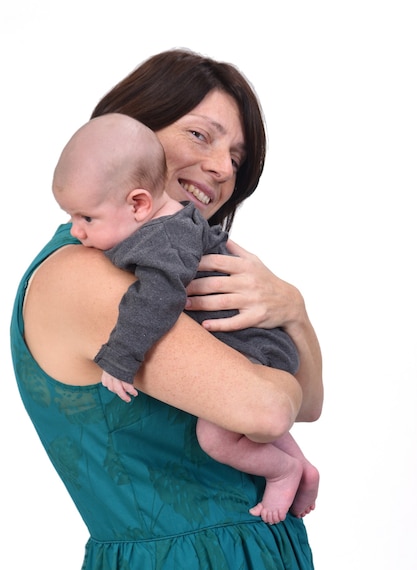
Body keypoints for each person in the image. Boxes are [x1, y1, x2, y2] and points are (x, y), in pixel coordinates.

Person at [11, 48, 323, 570]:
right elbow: (271, 411)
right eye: (200, 135)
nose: (223, 167)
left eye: (236, 157)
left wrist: (294, 310)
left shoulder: (170, 261)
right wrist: (276, 387)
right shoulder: (83, 274)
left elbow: (308, 406)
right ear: (130, 129)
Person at [52, 112, 319, 525]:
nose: (76, 232)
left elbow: (156, 297)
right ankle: (300, 465)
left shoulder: (160, 239)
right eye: (198, 135)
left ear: (139, 203)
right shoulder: (162, 224)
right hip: (256, 342)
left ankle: (283, 470)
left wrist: (122, 356)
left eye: (86, 219)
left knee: (215, 436)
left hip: (250, 343)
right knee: (249, 418)